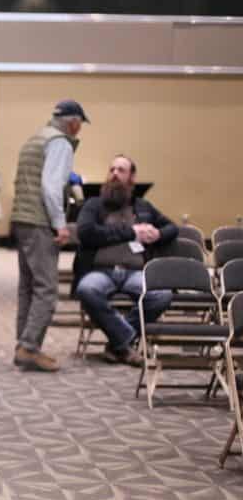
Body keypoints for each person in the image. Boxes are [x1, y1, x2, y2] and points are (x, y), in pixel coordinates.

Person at [73, 155, 177, 365]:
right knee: (86, 290)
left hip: (135, 272)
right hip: (100, 271)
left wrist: (158, 234)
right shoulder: (94, 205)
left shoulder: (143, 207)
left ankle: (116, 343)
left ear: (131, 177)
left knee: (161, 295)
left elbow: (172, 227)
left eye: (121, 170)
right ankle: (125, 340)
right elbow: (85, 233)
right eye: (111, 170)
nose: (114, 174)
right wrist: (130, 232)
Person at [10, 99, 88, 372]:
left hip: (21, 218)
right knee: (47, 289)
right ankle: (29, 348)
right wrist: (60, 224)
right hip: (40, 221)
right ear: (74, 122)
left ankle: (24, 345)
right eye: (80, 125)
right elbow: (51, 188)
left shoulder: (36, 138)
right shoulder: (61, 143)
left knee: (28, 287)